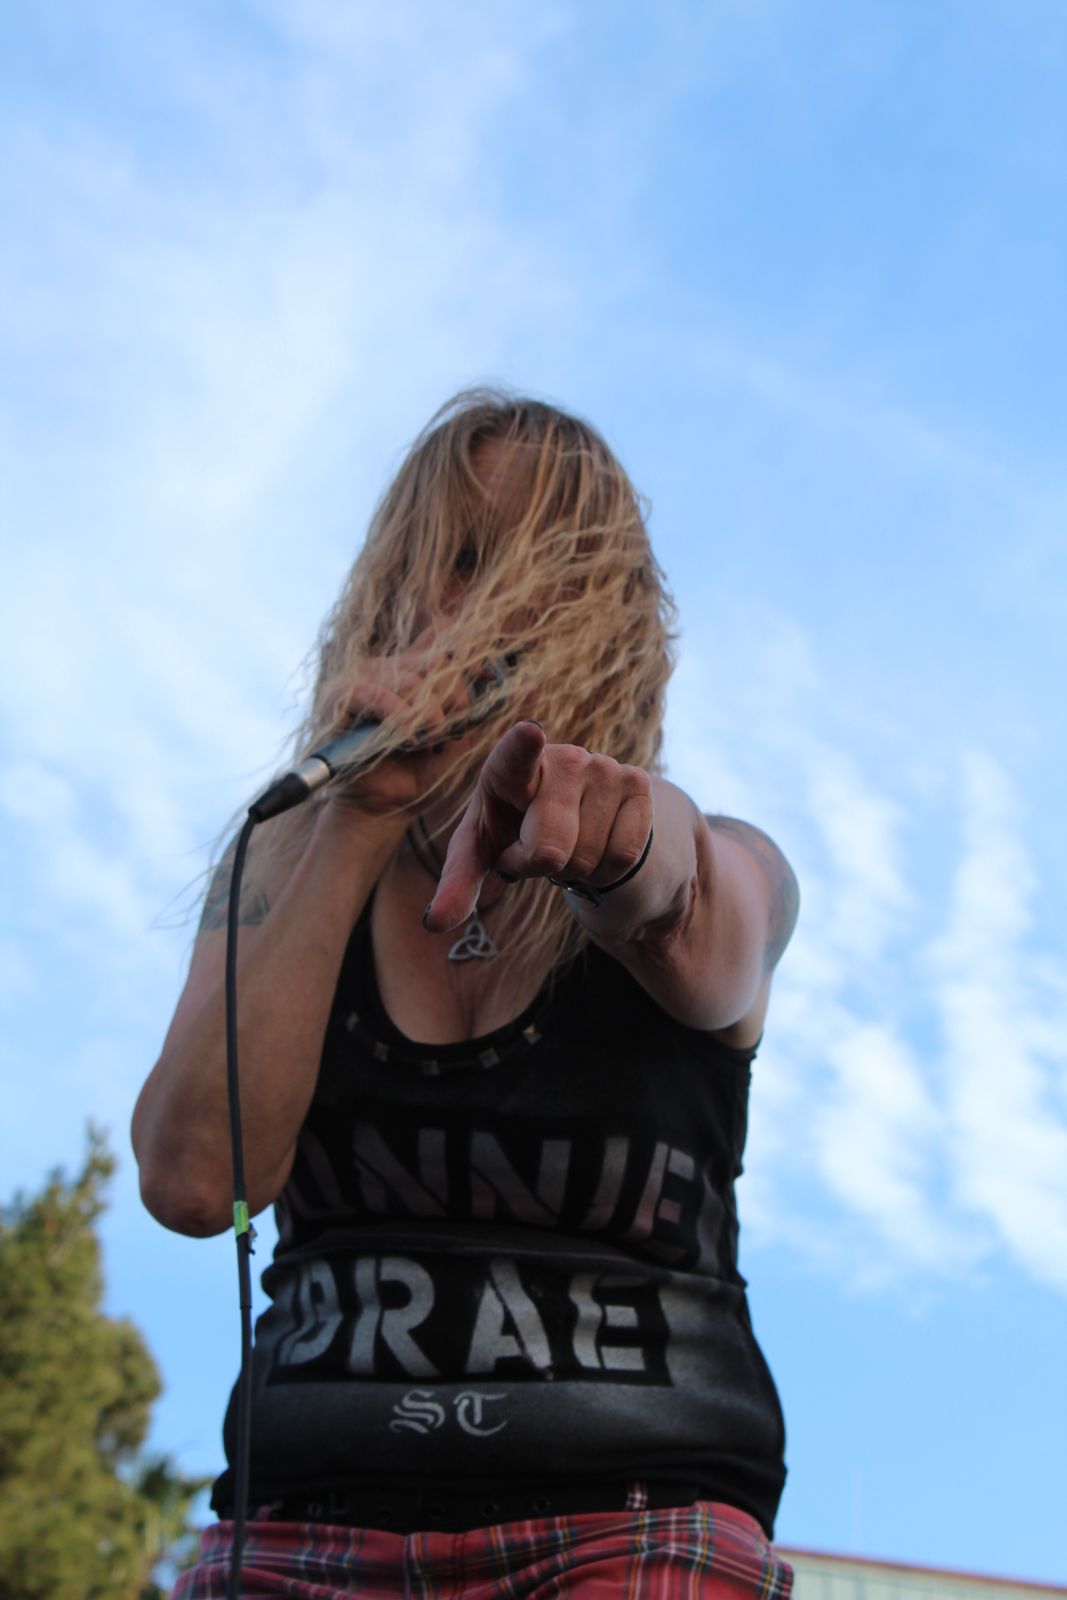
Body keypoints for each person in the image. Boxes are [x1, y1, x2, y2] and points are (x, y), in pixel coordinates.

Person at [133, 389, 799, 1599]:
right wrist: (357, 819)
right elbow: (193, 1181)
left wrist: (622, 852)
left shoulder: (723, 856)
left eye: (545, 569)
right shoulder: (279, 867)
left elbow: (698, 912)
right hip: (302, 1526)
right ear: (392, 587)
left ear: (610, 618)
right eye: (457, 559)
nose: (488, 606)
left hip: (631, 1525)